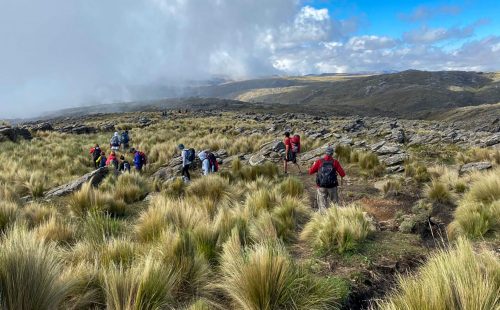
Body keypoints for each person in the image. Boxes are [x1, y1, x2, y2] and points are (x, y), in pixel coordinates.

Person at [308, 145, 346, 211]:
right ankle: (333, 217)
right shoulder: (335, 162)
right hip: (332, 186)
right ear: (332, 153)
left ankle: (323, 219)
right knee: (334, 204)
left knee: (322, 204)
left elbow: (310, 172)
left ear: (325, 153)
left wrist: (314, 165)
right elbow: (343, 174)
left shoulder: (319, 161)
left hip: (321, 186)